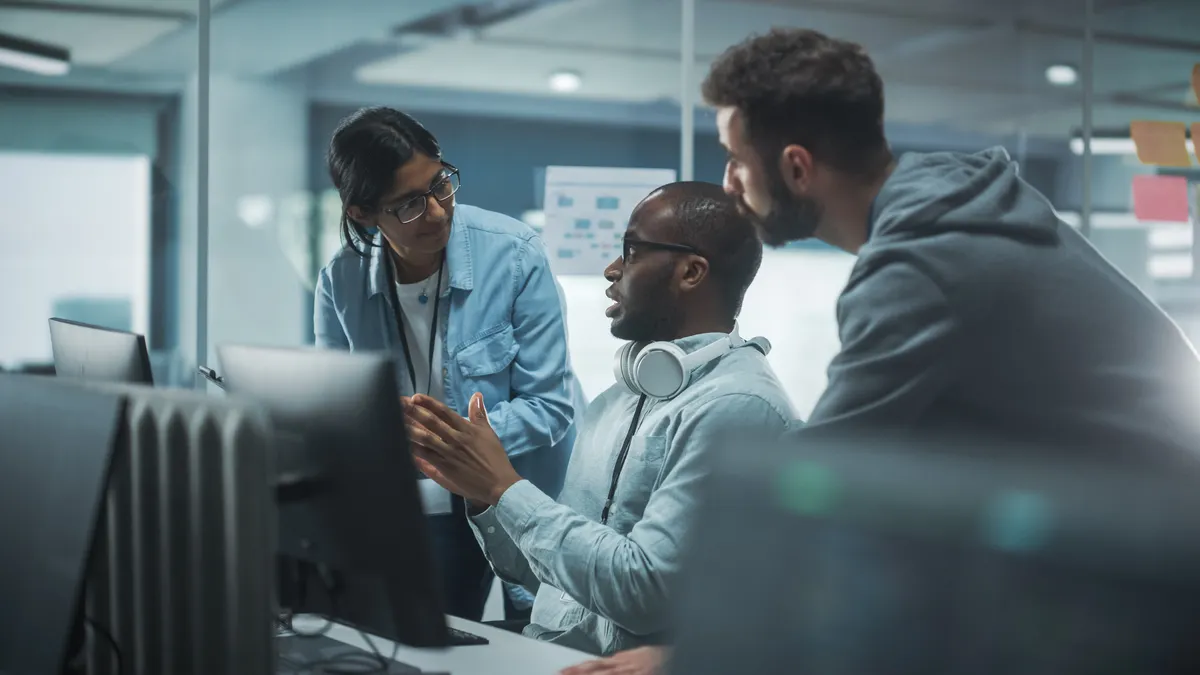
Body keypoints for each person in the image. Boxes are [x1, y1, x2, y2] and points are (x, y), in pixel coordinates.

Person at [570, 26, 1200, 674]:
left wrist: (688, 653)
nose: (729, 184)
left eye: (736, 159)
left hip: (1152, 580)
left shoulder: (921, 264)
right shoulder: (956, 206)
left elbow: (818, 482)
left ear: (795, 168)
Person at [402, 182, 796, 656]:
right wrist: (481, 494)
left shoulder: (738, 407)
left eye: (631, 252)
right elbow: (552, 580)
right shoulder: (615, 401)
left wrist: (504, 487)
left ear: (691, 271)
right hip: (546, 653)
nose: (611, 270)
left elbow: (642, 596)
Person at [314, 106, 586, 622]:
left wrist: (436, 441)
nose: (438, 212)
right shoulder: (340, 281)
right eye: (409, 204)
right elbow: (338, 408)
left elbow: (550, 408)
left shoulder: (515, 254)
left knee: (544, 637)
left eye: (440, 184)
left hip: (525, 494)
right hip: (419, 505)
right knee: (428, 640)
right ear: (363, 213)